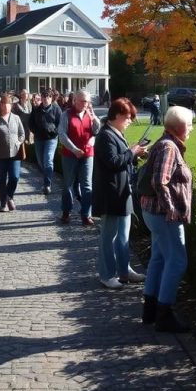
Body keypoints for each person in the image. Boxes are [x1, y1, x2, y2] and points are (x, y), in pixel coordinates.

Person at [139, 106, 194, 333]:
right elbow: (159, 181)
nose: (191, 129)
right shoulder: (169, 147)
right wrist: (171, 208)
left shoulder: (165, 143)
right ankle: (164, 315)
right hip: (163, 215)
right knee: (177, 261)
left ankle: (150, 311)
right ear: (180, 127)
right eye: (190, 124)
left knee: (159, 258)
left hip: (153, 212)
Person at [92, 98, 148, 289]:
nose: (130, 121)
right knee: (109, 237)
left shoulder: (115, 133)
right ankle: (106, 275)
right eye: (128, 117)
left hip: (122, 193)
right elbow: (113, 162)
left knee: (124, 235)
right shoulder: (105, 135)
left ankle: (124, 271)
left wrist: (135, 153)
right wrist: (132, 152)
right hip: (111, 194)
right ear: (116, 116)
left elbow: (121, 160)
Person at [58, 89, 101, 225]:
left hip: (88, 154)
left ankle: (86, 214)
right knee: (68, 184)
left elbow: (96, 131)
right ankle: (66, 211)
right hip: (70, 154)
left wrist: (95, 120)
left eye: (88, 101)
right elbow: (62, 135)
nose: (85, 104)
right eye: (83, 101)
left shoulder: (90, 114)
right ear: (75, 101)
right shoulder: (66, 115)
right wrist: (74, 149)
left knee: (87, 185)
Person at [0, 93, 25, 212]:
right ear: (0, 106)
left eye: (8, 104)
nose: (6, 107)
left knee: (15, 177)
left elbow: (22, 134)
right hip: (0, 154)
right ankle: (3, 204)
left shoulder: (16, 118)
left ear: (11, 106)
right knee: (1, 179)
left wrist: (19, 142)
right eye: (3, 104)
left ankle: (9, 196)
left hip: (15, 153)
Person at [31, 90, 63, 195]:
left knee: (48, 160)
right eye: (44, 97)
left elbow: (60, 123)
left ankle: (47, 185)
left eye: (48, 97)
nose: (46, 99)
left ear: (51, 98)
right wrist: (35, 130)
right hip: (39, 139)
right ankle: (46, 178)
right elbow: (30, 122)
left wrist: (54, 131)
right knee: (41, 162)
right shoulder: (36, 109)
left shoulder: (56, 109)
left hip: (51, 139)